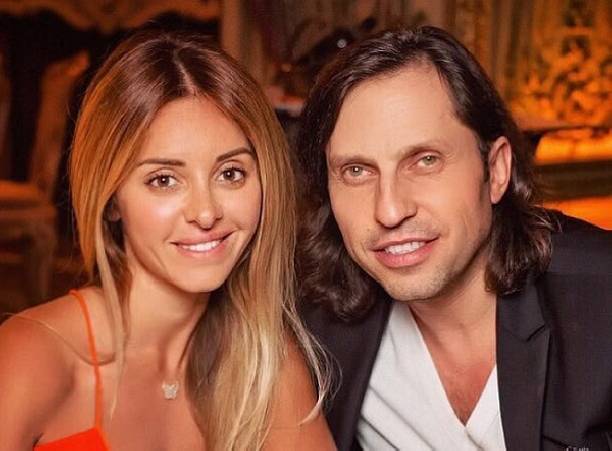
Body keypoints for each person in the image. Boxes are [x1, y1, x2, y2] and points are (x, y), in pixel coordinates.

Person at [0, 29, 335, 450]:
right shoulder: (32, 356)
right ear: (111, 198)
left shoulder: (266, 367)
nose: (205, 212)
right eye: (163, 180)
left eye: (230, 173)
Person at [297, 26, 612, 451]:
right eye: (356, 171)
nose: (389, 210)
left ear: (496, 170)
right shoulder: (311, 330)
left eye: (425, 160)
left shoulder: (601, 299)